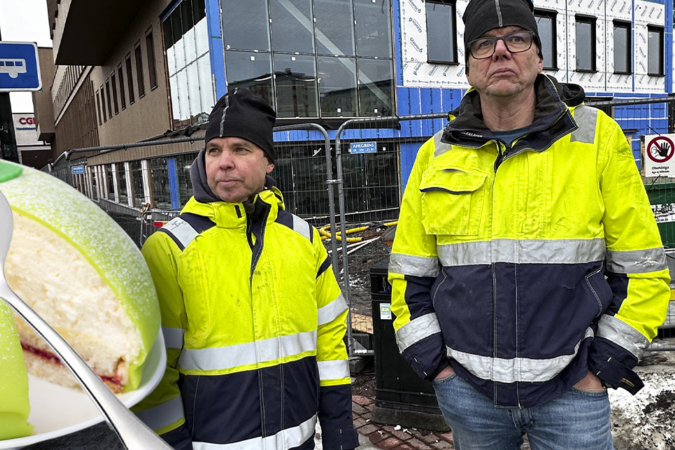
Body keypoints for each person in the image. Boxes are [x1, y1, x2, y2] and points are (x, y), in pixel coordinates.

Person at [387, 0, 671, 448]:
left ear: (539, 58)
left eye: (516, 38)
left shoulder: (595, 138)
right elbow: (409, 273)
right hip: (469, 394)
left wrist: (604, 364)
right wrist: (436, 366)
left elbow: (642, 267)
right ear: (468, 69)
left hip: (573, 392)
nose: (501, 52)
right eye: (483, 44)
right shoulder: (435, 154)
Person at [136, 88, 359, 450]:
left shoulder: (303, 238)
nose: (224, 161)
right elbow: (153, 369)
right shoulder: (170, 249)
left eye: (240, 149)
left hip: (299, 441)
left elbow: (330, 342)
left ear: (269, 161)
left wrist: (339, 429)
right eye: (214, 150)